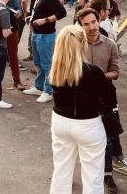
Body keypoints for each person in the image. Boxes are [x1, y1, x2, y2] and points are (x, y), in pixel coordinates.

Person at [76, 8, 127, 193]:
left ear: (99, 21)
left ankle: (107, 175)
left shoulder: (110, 44)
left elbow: (116, 72)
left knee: (108, 138)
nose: (92, 27)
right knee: (81, 137)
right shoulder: (76, 44)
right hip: (81, 97)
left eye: (94, 22)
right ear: (81, 26)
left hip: (105, 97)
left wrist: (98, 76)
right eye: (86, 24)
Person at [49, 24, 117, 194]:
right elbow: (110, 99)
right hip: (88, 124)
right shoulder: (93, 72)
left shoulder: (56, 69)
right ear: (83, 44)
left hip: (60, 122)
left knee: (61, 171)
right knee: (93, 176)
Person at [23, 0, 67, 102]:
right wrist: (30, 18)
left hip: (45, 35)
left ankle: (48, 91)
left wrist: (45, 20)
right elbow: (38, 10)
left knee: (47, 64)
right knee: (38, 62)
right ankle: (39, 87)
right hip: (37, 34)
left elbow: (62, 12)